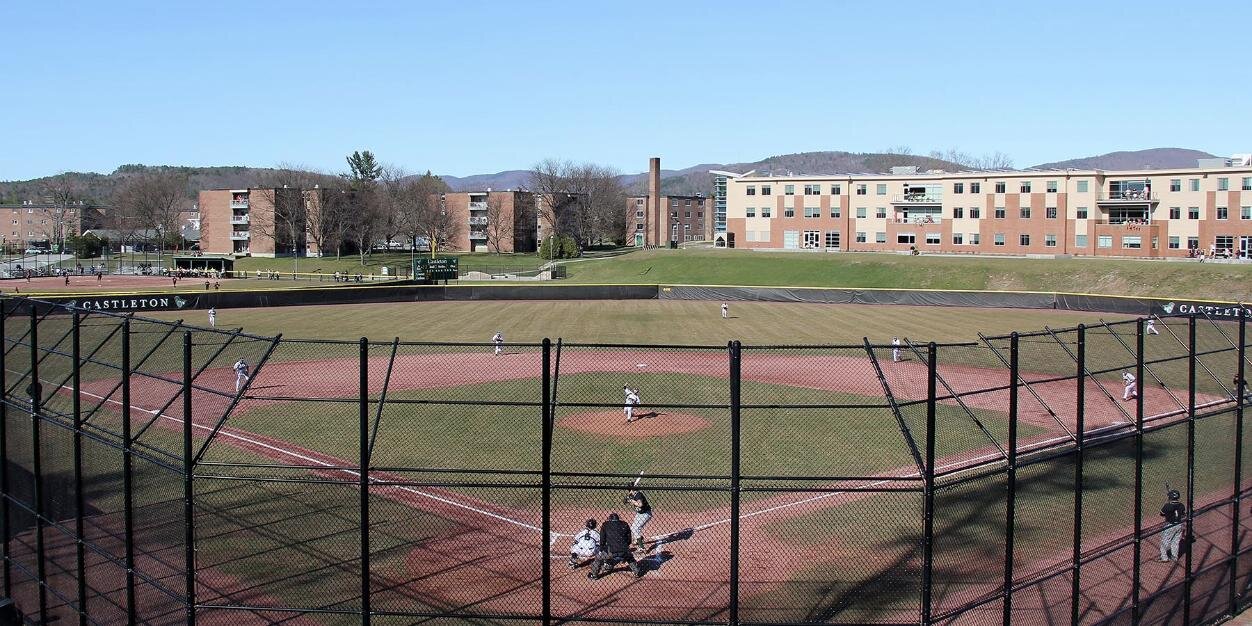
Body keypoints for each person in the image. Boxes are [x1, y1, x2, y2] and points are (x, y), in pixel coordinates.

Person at [589, 512, 640, 580]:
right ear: (618, 519)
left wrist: (602, 549)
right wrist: (624, 547)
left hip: (611, 551)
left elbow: (602, 540)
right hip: (624, 550)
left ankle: (594, 575)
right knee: (630, 557)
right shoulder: (625, 524)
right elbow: (629, 540)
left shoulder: (605, 525)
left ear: (609, 519)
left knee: (598, 558)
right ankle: (636, 572)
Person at [1158, 489, 1186, 562]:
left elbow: (1162, 514)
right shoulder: (1181, 505)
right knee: (1175, 542)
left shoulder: (1167, 506)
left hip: (1170, 526)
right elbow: (1183, 513)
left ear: (1170, 497)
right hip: (1179, 525)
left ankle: (1164, 558)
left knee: (1164, 542)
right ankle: (1174, 557)